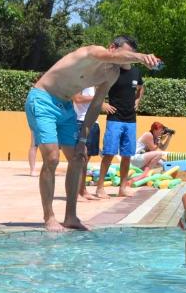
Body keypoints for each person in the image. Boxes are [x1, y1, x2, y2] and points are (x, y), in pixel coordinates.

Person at [25, 36, 160, 231]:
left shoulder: (111, 74)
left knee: (79, 158)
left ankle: (71, 216)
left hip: (66, 108)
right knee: (52, 158)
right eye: (126, 54)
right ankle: (49, 216)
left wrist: (83, 138)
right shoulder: (91, 53)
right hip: (43, 99)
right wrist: (141, 57)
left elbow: (96, 105)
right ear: (112, 48)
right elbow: (107, 55)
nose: (127, 60)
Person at [95, 43, 147, 199]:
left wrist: (138, 100)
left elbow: (141, 87)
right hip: (115, 119)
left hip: (130, 119)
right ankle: (99, 188)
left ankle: (122, 188)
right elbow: (98, 87)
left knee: (127, 155)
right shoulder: (112, 70)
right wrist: (103, 104)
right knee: (109, 154)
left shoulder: (136, 72)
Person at [74, 86, 102, 200]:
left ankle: (82, 190)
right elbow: (77, 99)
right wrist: (96, 97)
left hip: (93, 122)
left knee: (86, 160)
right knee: (80, 159)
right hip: (81, 122)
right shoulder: (79, 80)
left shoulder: (94, 83)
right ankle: (75, 192)